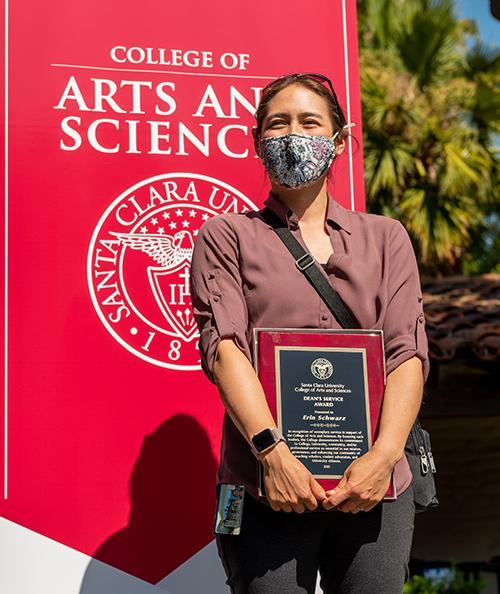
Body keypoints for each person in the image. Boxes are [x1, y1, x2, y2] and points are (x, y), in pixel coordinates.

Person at [189, 73, 430, 594]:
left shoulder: (386, 238)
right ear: (257, 143)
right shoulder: (226, 236)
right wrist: (272, 455)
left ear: (339, 140)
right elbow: (224, 348)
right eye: (277, 124)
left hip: (376, 489)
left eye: (309, 122)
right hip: (263, 487)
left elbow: (406, 354)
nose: (292, 134)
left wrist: (384, 459)